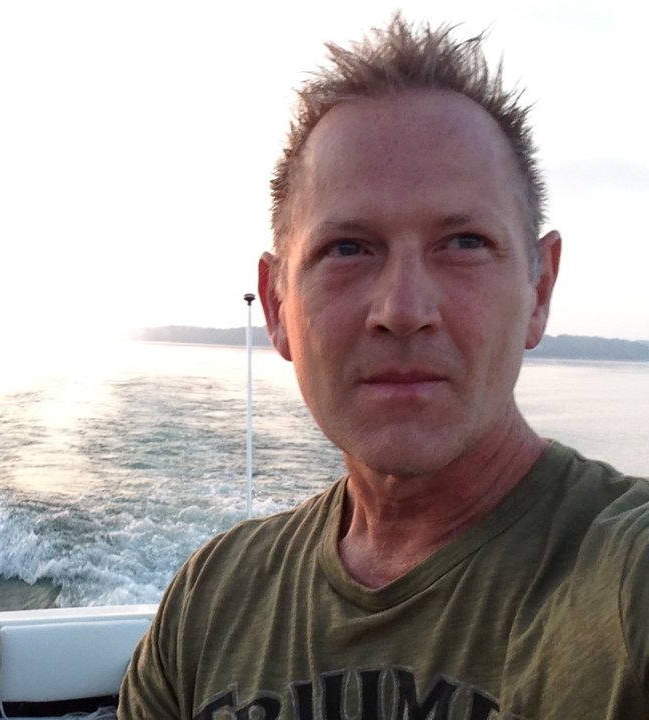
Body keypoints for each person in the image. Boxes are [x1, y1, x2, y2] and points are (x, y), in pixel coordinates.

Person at [118, 13, 649, 720]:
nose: (403, 310)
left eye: (463, 242)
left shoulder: (625, 575)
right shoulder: (207, 603)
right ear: (277, 307)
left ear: (539, 291)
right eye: (348, 248)